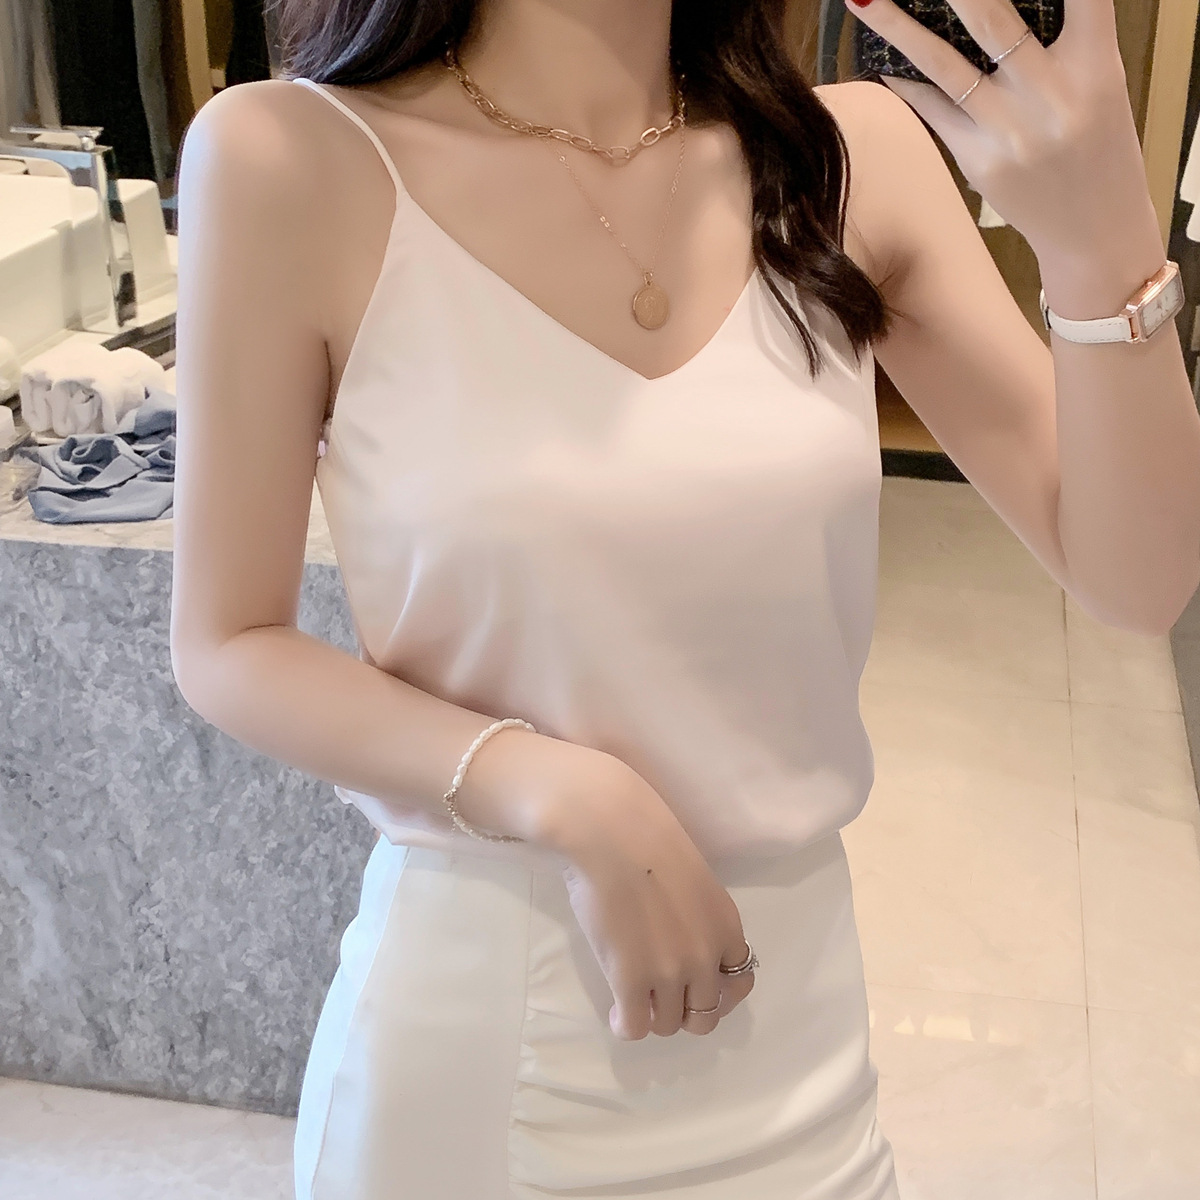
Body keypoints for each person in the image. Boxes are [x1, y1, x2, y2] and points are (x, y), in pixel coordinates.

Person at [167, 0, 1200, 1196]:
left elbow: (1142, 580)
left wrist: (1101, 246)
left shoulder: (847, 160)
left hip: (802, 1054)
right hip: (486, 1057)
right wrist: (554, 787)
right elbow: (229, 640)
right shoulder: (293, 158)